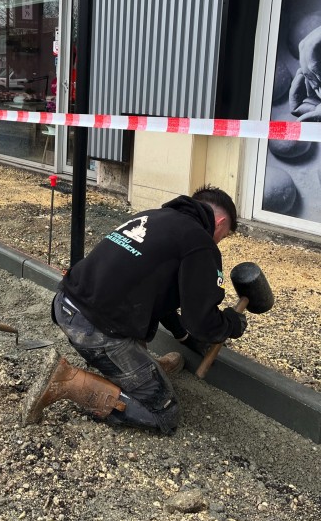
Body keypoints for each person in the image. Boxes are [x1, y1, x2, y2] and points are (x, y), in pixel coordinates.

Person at [22, 186, 247, 434]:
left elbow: (159, 294)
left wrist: (182, 336)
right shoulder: (200, 243)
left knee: (131, 310)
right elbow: (202, 323)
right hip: (95, 329)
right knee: (164, 414)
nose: (219, 241)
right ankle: (69, 382)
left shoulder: (153, 217)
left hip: (66, 304)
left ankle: (146, 368)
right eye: (224, 235)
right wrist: (231, 323)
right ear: (220, 222)